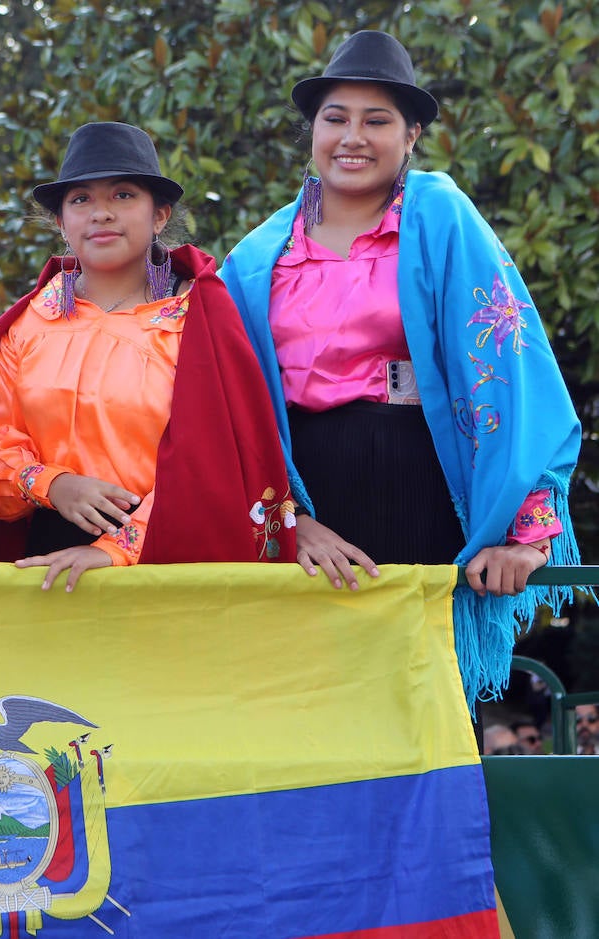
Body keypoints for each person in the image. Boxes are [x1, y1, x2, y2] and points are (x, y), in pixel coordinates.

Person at [220, 31, 582, 706]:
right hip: (306, 514)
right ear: (313, 132)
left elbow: (514, 364)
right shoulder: (253, 260)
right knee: (311, 720)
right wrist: (288, 522)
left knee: (422, 721)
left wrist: (526, 538)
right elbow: (226, 411)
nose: (352, 136)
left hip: (421, 499)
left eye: (377, 120)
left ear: (411, 135)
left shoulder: (441, 215)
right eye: (336, 118)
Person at [0, 121, 296, 591]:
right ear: (60, 221)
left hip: (170, 555)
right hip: (49, 556)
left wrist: (115, 548)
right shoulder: (31, 323)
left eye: (124, 195)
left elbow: (214, 462)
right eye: (81, 199)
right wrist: (53, 484)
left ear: (160, 216)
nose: (101, 213)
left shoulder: (198, 319)